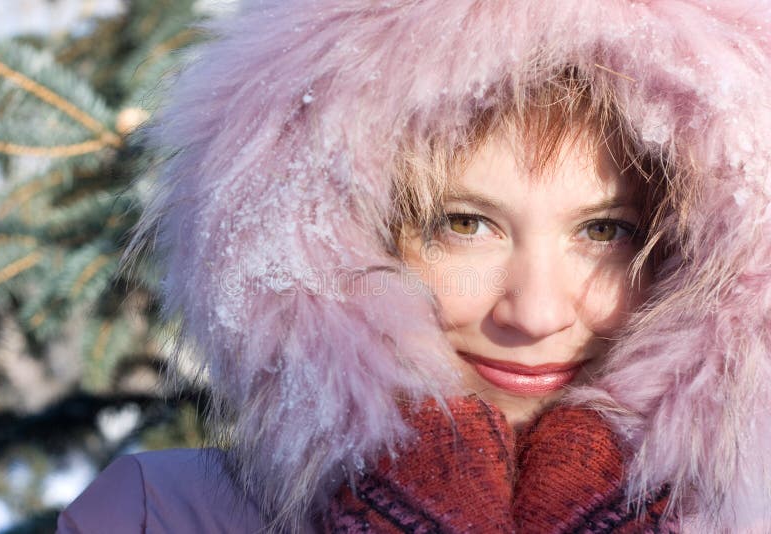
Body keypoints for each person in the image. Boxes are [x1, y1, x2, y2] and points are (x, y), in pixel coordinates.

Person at [58, 1, 771, 532]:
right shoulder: (156, 516)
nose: (537, 312)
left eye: (605, 230)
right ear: (339, 236)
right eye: (465, 224)